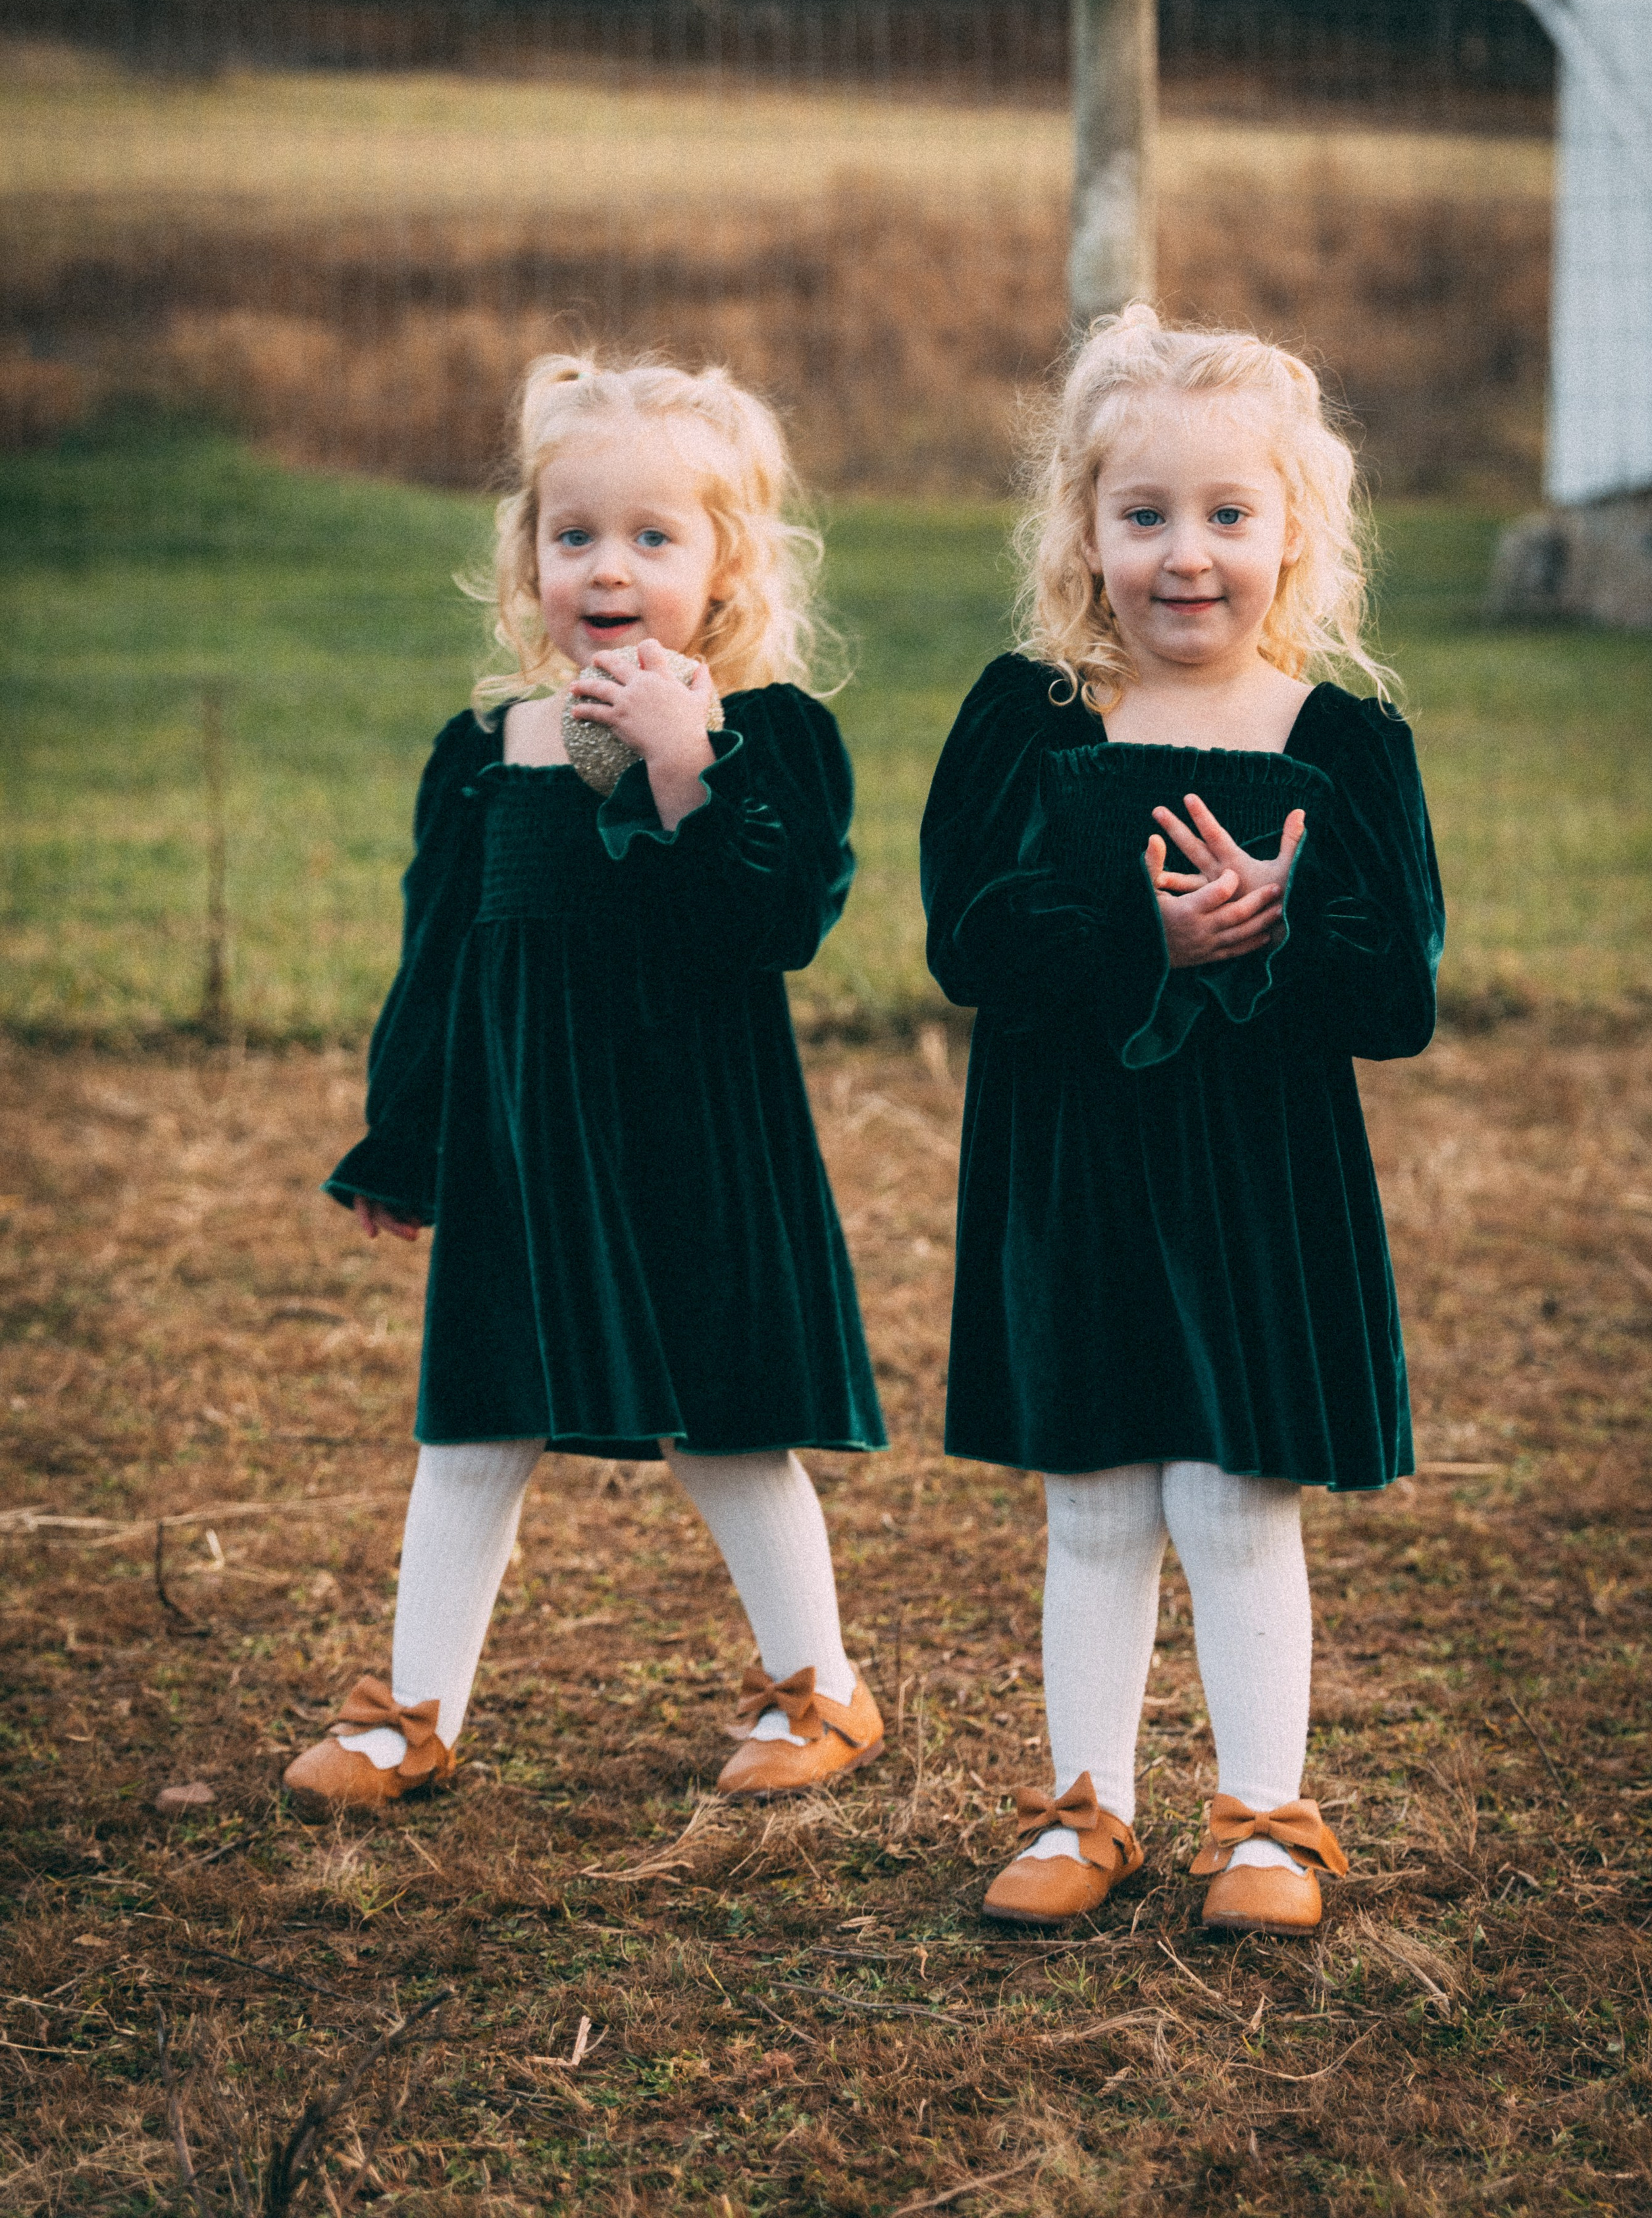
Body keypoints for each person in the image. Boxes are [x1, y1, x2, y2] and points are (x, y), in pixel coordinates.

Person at [284, 353, 887, 1818]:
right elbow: (438, 960)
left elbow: (777, 921)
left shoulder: (769, 737)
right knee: (473, 1421)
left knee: (722, 1424)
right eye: (574, 536)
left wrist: (687, 768)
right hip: (522, 1150)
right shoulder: (485, 753)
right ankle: (415, 1714)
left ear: (724, 565)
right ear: (529, 559)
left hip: (696, 1145)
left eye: (652, 537)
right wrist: (404, 1140)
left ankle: (820, 1687)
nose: (607, 568)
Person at [920, 307, 1442, 1936]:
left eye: (1227, 513)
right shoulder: (1027, 718)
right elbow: (967, 943)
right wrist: (1136, 934)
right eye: (1142, 514)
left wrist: (1276, 929)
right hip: (1072, 1167)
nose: (1185, 555)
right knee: (1092, 1499)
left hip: (1256, 1178)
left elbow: (1396, 993)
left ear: (1294, 529)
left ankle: (1264, 1819)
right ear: (1082, 530)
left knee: (1228, 1496)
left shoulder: (1340, 744)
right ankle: (1085, 1808)